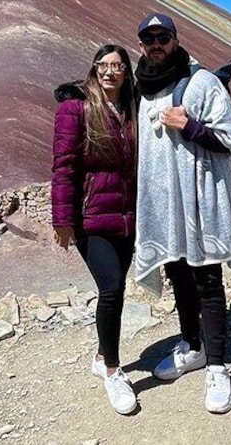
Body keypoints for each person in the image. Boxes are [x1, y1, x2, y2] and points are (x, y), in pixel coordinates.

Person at [133, 13, 231, 414]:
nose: (156, 44)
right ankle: (192, 346)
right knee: (178, 273)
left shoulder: (203, 83)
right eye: (149, 39)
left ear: (176, 41)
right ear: (141, 46)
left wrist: (191, 126)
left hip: (200, 205)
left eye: (163, 37)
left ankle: (217, 366)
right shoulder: (143, 89)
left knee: (208, 281)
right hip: (166, 206)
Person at [51, 44, 139, 415]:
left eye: (117, 66)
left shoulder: (132, 110)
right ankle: (113, 371)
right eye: (103, 65)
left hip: (127, 218)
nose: (109, 72)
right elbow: (64, 166)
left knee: (117, 286)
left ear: (125, 73)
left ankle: (102, 353)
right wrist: (63, 220)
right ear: (93, 69)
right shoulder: (76, 109)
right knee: (112, 288)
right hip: (91, 218)